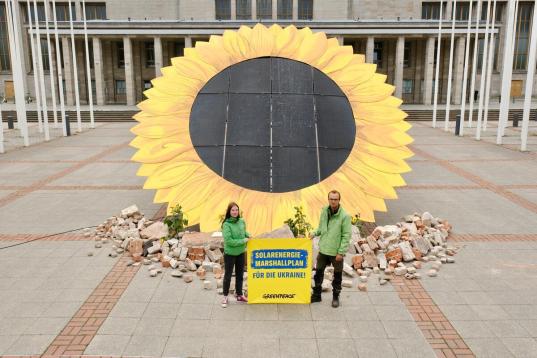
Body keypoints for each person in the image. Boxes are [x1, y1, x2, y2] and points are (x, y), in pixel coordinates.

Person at [310, 190, 352, 308]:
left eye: (335, 199)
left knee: (337, 276)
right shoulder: (324, 210)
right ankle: (317, 294)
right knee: (318, 273)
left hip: (336, 252)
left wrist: (341, 252)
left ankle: (335, 297)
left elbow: (346, 235)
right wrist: (314, 233)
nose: (333, 201)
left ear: (339, 200)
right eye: (331, 199)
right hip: (323, 249)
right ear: (328, 199)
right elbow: (321, 227)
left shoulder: (345, 216)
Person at [221, 202, 250, 308]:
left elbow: (244, 232)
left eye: (236, 210)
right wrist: (243, 241)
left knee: (240, 275)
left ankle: (239, 294)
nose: (235, 212)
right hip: (230, 254)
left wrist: (249, 235)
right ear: (229, 211)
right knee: (228, 275)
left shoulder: (242, 221)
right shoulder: (226, 224)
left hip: (241, 252)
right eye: (233, 210)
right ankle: (225, 296)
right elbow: (229, 241)